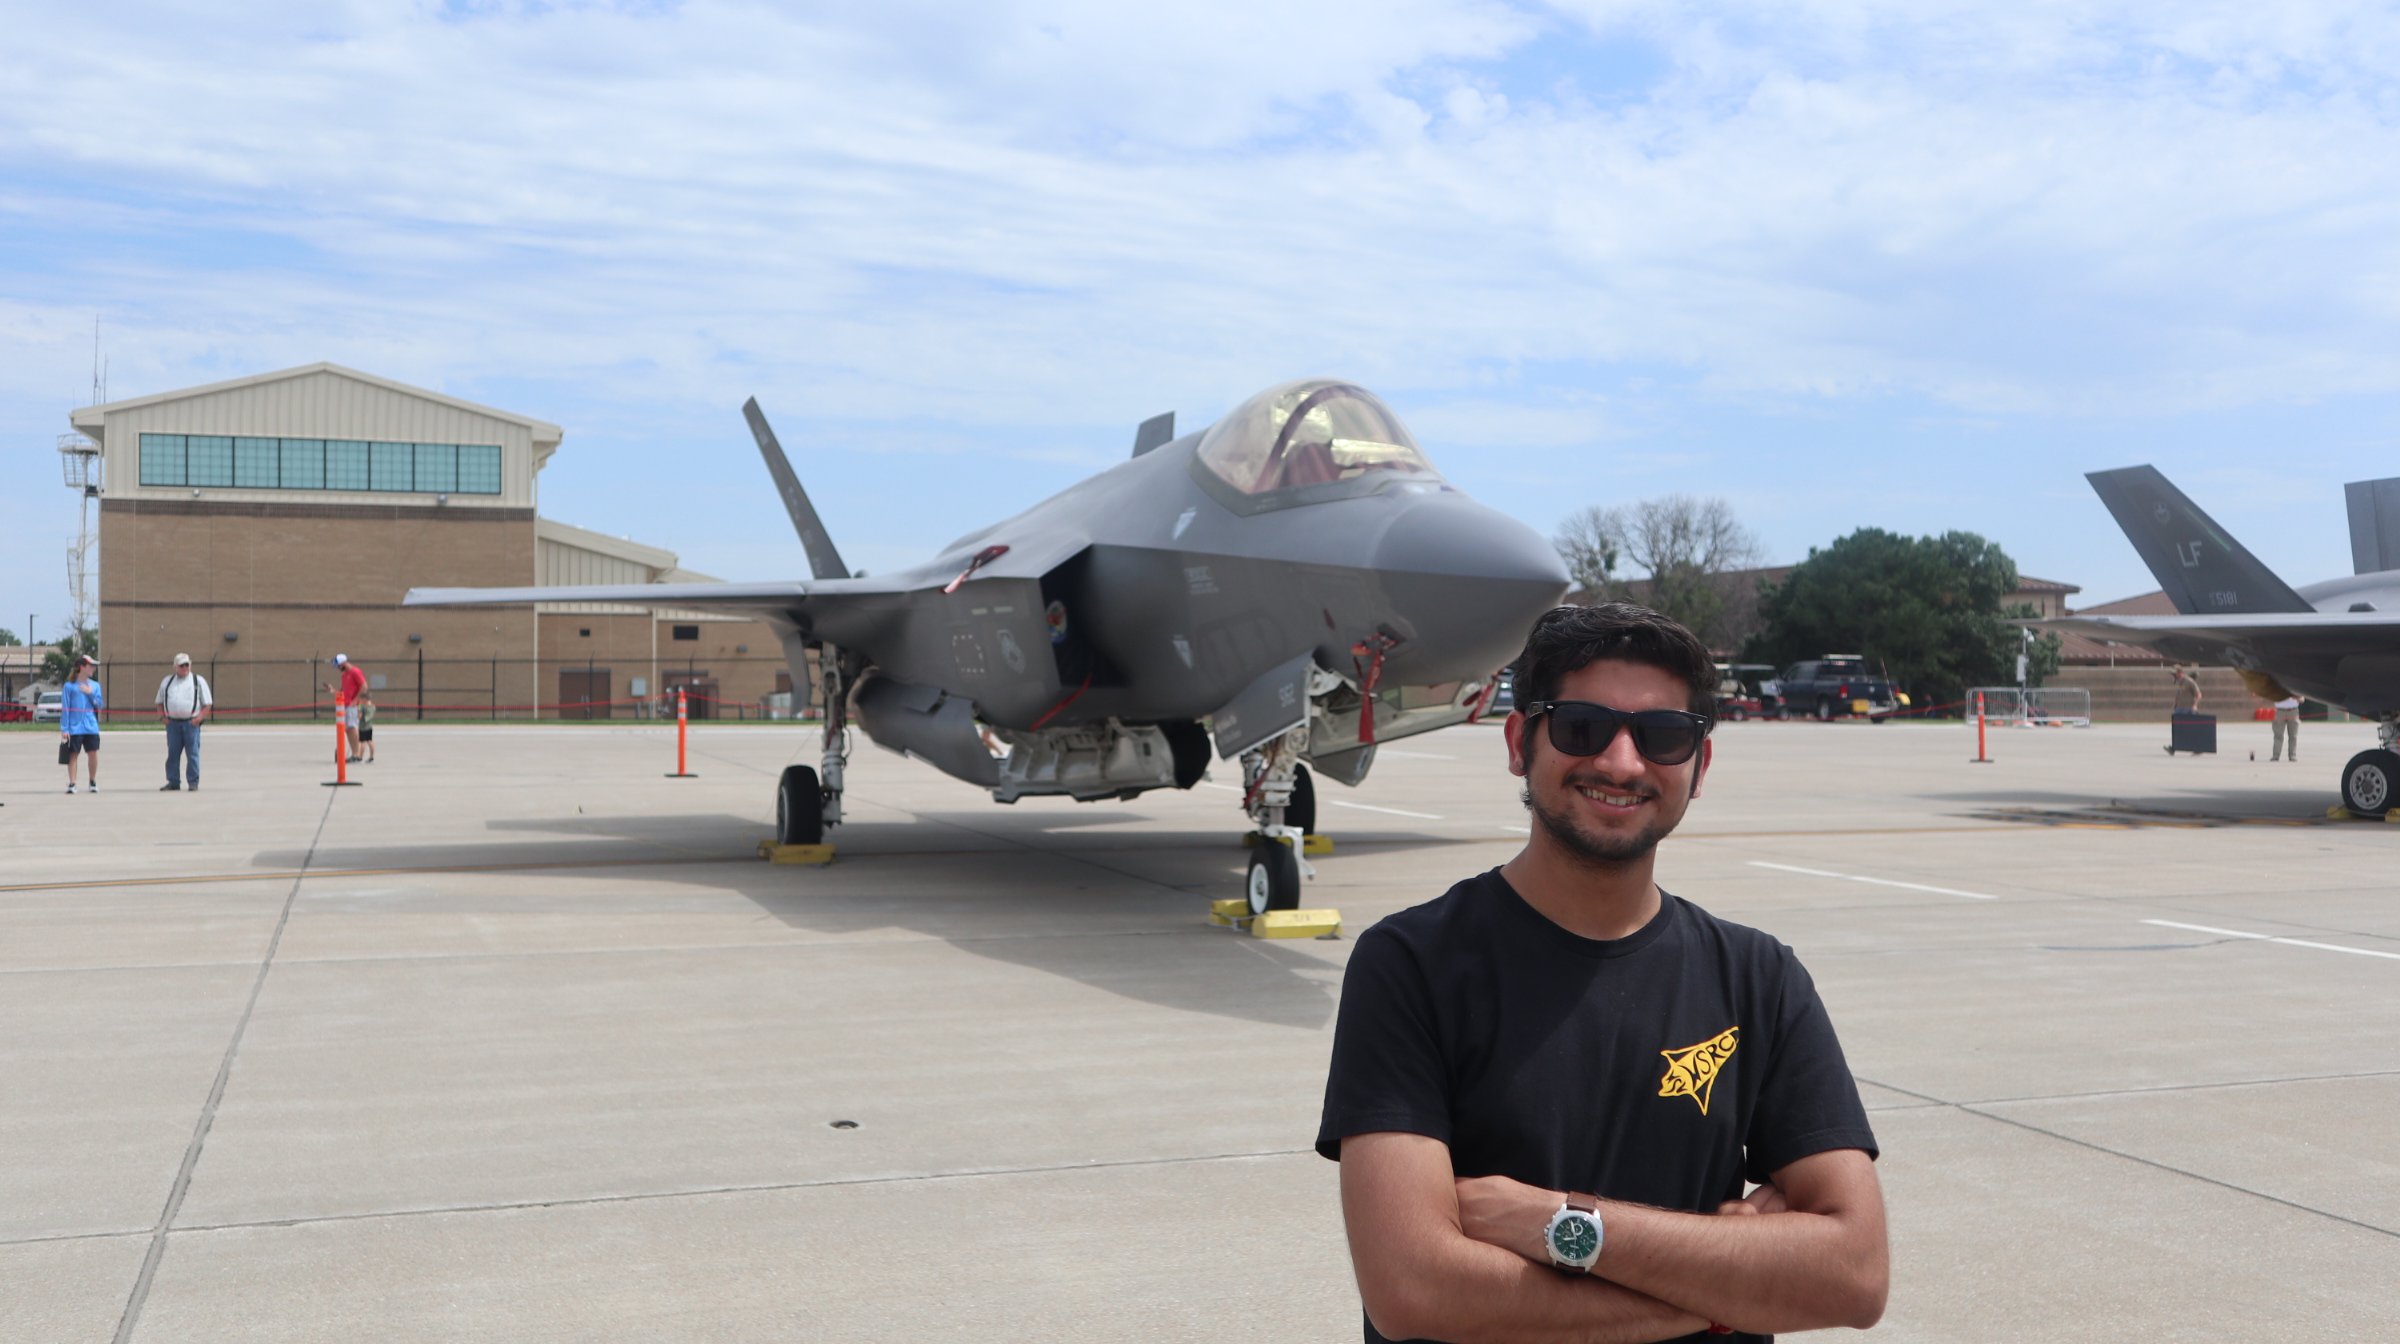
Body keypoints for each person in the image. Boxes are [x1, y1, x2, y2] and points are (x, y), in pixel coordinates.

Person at [1318, 603, 1886, 1344]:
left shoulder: (1760, 978)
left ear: (1699, 765)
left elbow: (1856, 1276)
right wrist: (1725, 1292)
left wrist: (1558, 1224)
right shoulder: (1412, 965)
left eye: (1663, 737)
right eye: (1582, 727)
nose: (1622, 763)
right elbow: (1416, 1289)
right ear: (1521, 741)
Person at [155, 652, 213, 791]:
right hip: (172, 724)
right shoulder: (167, 682)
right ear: (175, 667)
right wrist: (163, 717)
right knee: (172, 754)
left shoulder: (197, 681)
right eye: (182, 665)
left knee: (192, 754)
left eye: (187, 664)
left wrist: (199, 718)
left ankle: (193, 782)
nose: (185, 667)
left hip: (191, 724)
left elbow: (208, 703)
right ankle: (173, 781)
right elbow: (159, 701)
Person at [59, 654, 104, 794]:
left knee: (93, 753)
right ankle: (72, 783)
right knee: (73, 754)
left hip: (91, 726)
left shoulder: (95, 686)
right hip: (74, 727)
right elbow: (66, 708)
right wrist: (64, 728)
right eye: (90, 666)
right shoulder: (69, 686)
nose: (93, 668)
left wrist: (91, 693)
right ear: (81, 667)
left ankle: (92, 781)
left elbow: (100, 705)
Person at [323, 654, 369, 762]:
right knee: (348, 729)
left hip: (352, 706)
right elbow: (342, 692)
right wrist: (332, 690)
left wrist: (355, 700)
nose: (337, 668)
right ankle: (354, 754)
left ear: (343, 663)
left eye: (338, 666)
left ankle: (356, 755)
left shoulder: (355, 672)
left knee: (352, 728)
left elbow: (364, 686)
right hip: (345, 705)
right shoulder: (344, 675)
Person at [2271, 693, 2300, 763]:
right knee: (2278, 735)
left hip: (2293, 711)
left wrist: (2296, 697)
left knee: (2293, 736)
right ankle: (2275, 756)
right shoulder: (2277, 685)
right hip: (2280, 711)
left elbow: (2302, 699)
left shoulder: (2295, 686)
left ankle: (2292, 755)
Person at [359, 691, 377, 763]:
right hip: (369, 726)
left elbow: (359, 717)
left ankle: (360, 757)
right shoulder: (373, 706)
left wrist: (359, 710)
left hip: (363, 727)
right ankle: (371, 756)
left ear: (364, 699)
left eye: (361, 700)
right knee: (370, 741)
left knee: (363, 742)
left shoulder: (362, 707)